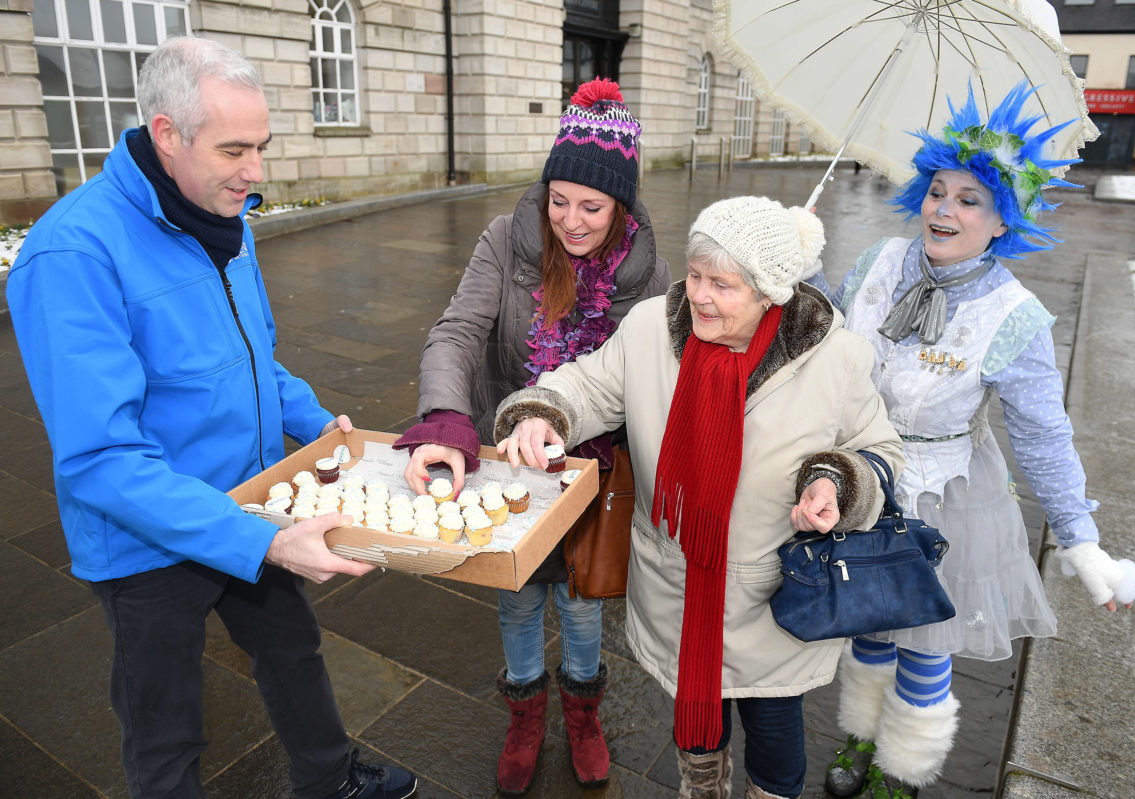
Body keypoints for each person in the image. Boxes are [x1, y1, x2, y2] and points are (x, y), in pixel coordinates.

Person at [6, 37, 417, 799]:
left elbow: (254, 358)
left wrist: (320, 421)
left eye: (261, 146)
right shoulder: (73, 253)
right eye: (234, 149)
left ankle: (328, 779)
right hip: (147, 539)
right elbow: (101, 459)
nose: (256, 171)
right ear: (167, 135)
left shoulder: (225, 215)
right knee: (165, 727)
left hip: (248, 496)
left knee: (293, 650)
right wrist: (261, 539)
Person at [491, 195, 904, 799]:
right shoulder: (650, 331)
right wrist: (540, 413)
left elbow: (881, 453)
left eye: (724, 284)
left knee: (774, 728)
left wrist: (835, 482)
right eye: (696, 275)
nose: (700, 297)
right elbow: (585, 384)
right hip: (678, 584)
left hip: (775, 596)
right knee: (696, 724)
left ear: (770, 292)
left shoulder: (833, 358)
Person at [818, 83, 1135, 799]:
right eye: (938, 190)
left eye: (971, 199)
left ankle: (901, 768)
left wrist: (1080, 537)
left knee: (923, 637)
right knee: (868, 624)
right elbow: (821, 339)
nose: (944, 209)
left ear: (1005, 220)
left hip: (943, 496)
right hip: (857, 476)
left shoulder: (1015, 316)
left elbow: (1043, 433)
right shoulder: (878, 262)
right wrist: (797, 264)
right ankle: (860, 729)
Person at [392, 78, 670, 794]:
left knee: (580, 600)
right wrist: (447, 418)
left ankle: (582, 709)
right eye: (559, 200)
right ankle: (524, 710)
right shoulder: (506, 241)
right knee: (516, 596)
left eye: (593, 206)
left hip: (591, 466)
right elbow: (455, 335)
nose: (572, 221)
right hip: (508, 455)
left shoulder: (646, 273)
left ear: (622, 205)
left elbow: (647, 376)